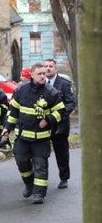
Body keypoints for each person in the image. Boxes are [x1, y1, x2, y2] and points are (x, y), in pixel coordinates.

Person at [2, 62, 65, 204]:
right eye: (40, 74)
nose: (43, 76)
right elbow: (13, 111)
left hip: (41, 138)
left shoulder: (51, 92)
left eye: (44, 73)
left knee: (40, 165)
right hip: (23, 137)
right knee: (22, 162)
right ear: (32, 75)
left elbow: (61, 111)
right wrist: (7, 128)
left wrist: (48, 120)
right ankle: (29, 184)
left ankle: (39, 194)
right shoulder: (21, 90)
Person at [44, 58, 76, 188]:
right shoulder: (40, 84)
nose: (48, 68)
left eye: (51, 66)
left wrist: (59, 115)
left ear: (55, 69)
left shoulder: (64, 84)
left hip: (60, 126)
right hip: (43, 125)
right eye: (46, 66)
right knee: (40, 153)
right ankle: (40, 179)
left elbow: (70, 103)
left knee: (61, 153)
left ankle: (64, 178)